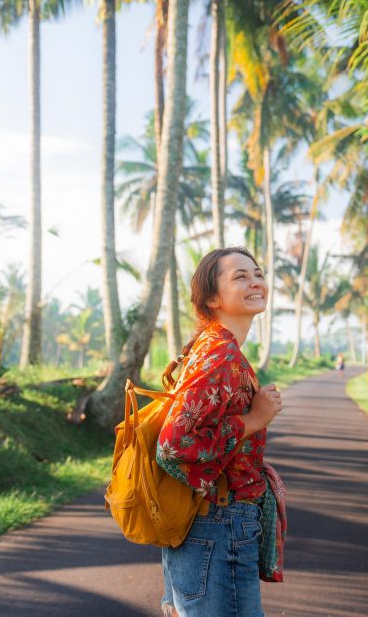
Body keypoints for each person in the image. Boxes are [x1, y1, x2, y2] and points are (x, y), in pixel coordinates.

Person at [156, 247, 286, 617]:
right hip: (217, 523)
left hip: (206, 520)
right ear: (213, 298)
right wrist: (254, 420)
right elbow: (173, 446)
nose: (256, 282)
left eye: (258, 273)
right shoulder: (220, 354)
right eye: (240, 277)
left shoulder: (212, 346)